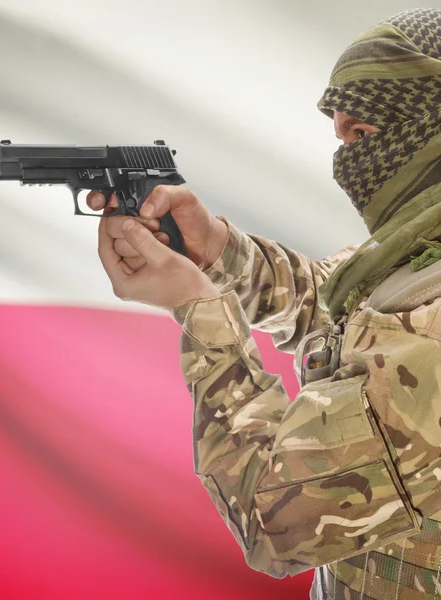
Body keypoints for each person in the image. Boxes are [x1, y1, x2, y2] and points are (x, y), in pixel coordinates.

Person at [87, 8, 441, 599]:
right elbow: (340, 308)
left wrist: (200, 309)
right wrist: (218, 250)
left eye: (363, 135)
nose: (346, 162)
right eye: (341, 136)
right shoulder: (418, 252)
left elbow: (274, 521)